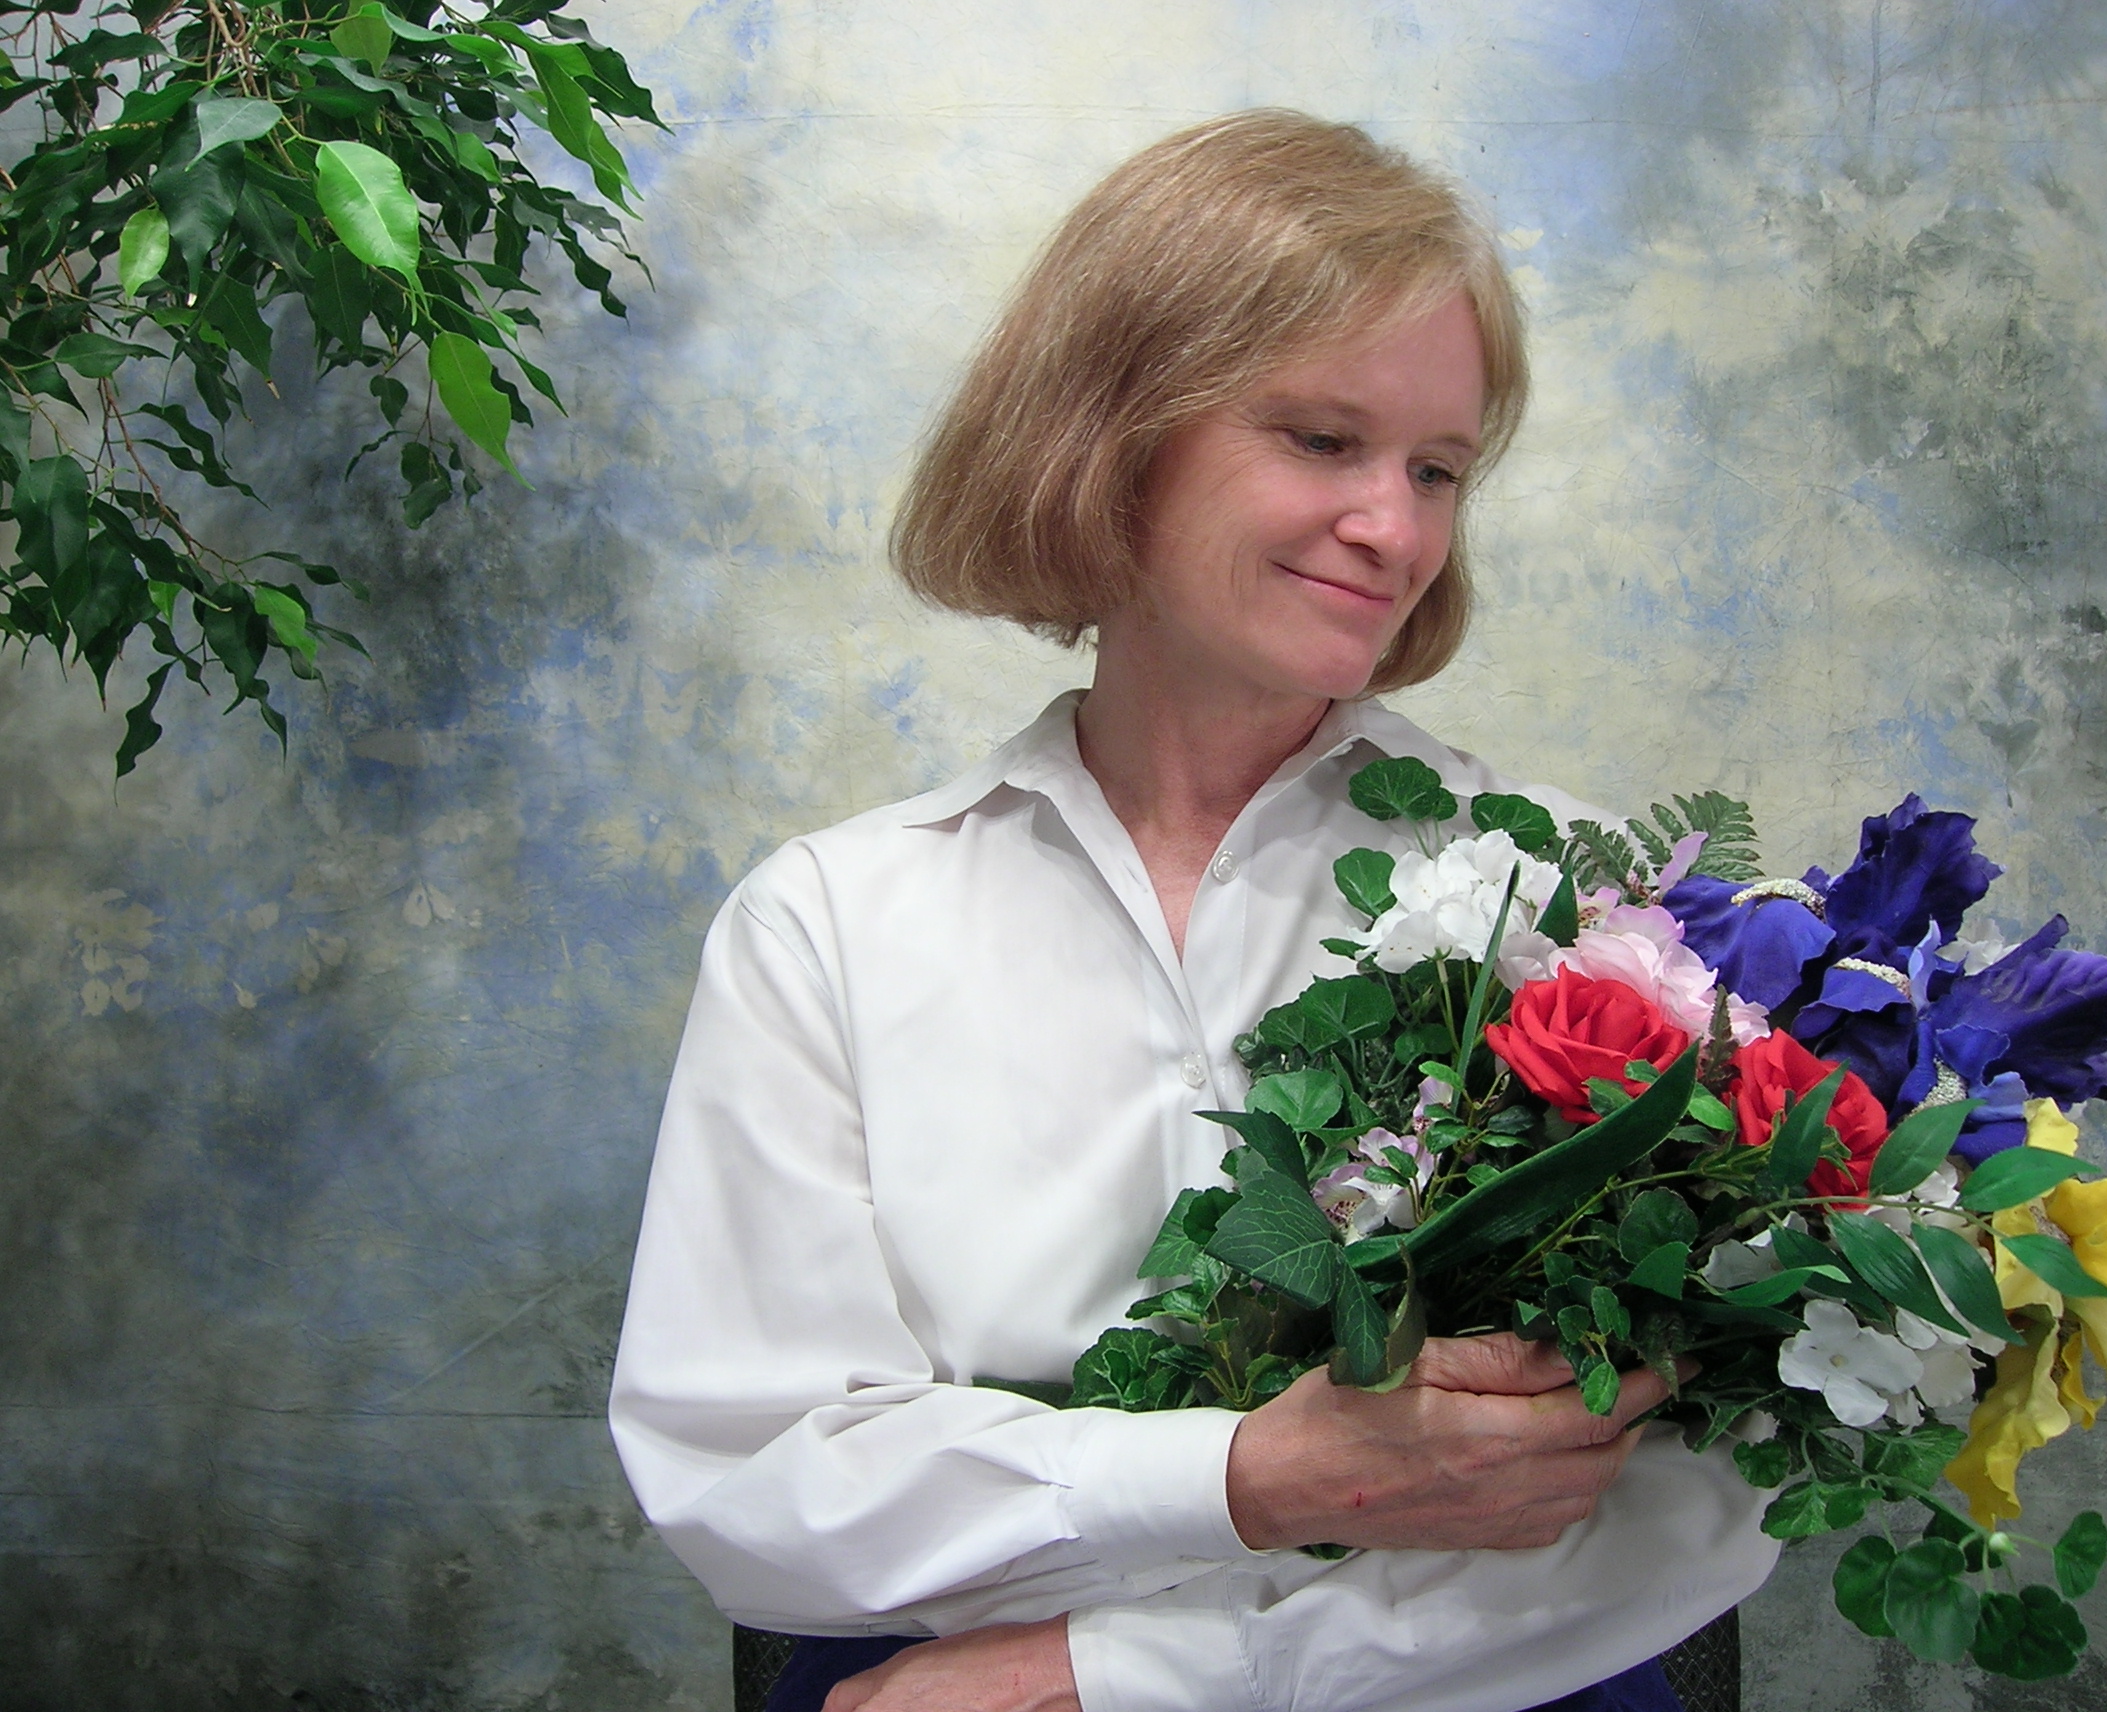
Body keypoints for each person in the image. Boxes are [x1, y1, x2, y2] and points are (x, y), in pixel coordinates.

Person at [609, 110, 1780, 1712]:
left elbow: (1685, 1501)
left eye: (1437, 470)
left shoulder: (1586, 909)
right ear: (1110, 432)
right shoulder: (829, 927)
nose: (1395, 528)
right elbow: (752, 1477)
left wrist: (1121, 1670)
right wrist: (1246, 1479)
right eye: (1322, 439)